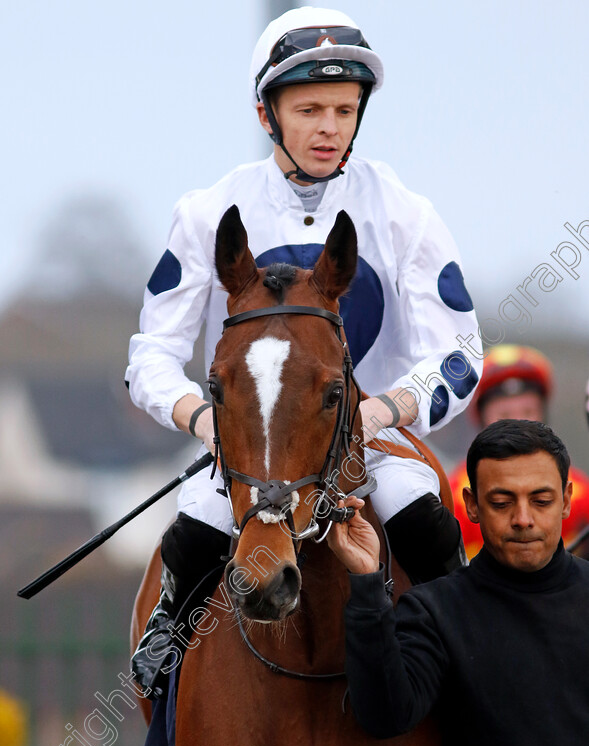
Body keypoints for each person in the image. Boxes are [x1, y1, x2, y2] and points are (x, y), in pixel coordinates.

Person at [126, 6, 483, 693]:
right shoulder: (207, 211)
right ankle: (165, 696)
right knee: (194, 531)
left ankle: (476, 679)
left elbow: (460, 352)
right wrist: (202, 421)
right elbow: (150, 356)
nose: (329, 127)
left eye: (344, 110)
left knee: (426, 528)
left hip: (372, 445)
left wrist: (384, 412)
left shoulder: (406, 213)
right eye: (310, 108)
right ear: (267, 115)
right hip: (243, 449)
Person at [330, 419, 589, 746]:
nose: (523, 519)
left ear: (566, 499)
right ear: (471, 504)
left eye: (540, 500)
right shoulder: (435, 610)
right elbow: (384, 715)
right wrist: (366, 584)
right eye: (502, 502)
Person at [449, 344, 589, 558]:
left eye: (528, 411)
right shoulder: (450, 499)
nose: (518, 423)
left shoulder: (582, 496)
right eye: (504, 413)